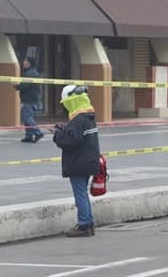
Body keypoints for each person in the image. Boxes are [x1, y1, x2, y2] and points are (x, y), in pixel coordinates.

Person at [52, 85, 100, 237]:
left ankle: (84, 225)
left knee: (80, 194)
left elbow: (73, 141)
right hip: (88, 161)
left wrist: (57, 135)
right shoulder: (88, 116)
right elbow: (78, 135)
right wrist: (65, 129)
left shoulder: (79, 119)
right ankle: (89, 222)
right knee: (83, 193)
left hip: (79, 163)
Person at [15, 57, 44, 143]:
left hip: (29, 99)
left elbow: (25, 86)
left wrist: (16, 86)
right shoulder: (32, 72)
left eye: (26, 61)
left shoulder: (30, 73)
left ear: (30, 63)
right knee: (26, 116)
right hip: (32, 98)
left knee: (27, 116)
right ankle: (29, 136)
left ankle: (38, 132)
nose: (24, 62)